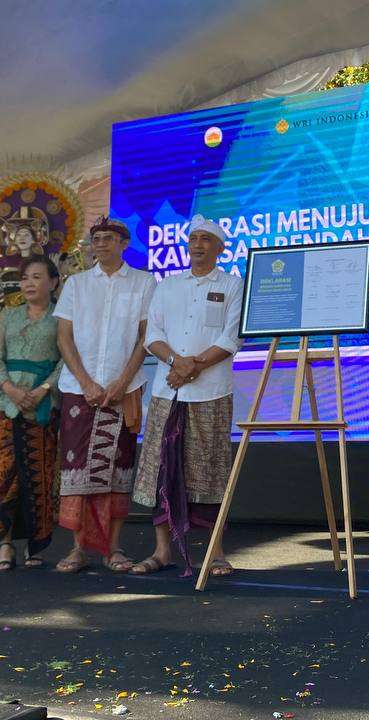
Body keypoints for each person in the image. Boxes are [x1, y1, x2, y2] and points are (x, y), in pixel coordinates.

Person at [133, 215, 244, 576]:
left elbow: (231, 338)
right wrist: (175, 361)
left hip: (210, 392)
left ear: (220, 248)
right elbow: (152, 335)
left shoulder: (233, 284)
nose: (197, 245)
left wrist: (192, 366)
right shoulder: (167, 286)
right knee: (162, 470)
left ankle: (216, 552)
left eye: (206, 240)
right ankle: (162, 551)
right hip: (168, 392)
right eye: (193, 239)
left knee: (210, 472)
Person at [53, 216, 156, 574]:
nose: (101, 244)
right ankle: (77, 549)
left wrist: (120, 382)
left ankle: (113, 549)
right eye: (96, 238)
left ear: (124, 243)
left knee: (117, 472)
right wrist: (87, 383)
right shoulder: (77, 285)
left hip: (122, 391)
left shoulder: (144, 282)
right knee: (78, 471)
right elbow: (64, 337)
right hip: (79, 391)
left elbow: (146, 338)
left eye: (109, 238)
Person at [0, 255, 63, 571]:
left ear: (53, 282)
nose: (29, 283)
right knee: (5, 475)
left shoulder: (61, 319)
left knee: (39, 475)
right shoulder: (8, 316)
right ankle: (5, 545)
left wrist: (43, 389)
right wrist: (11, 390)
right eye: (25, 277)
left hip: (42, 406)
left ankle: (36, 545)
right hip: (8, 405)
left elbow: (67, 359)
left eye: (36, 276)